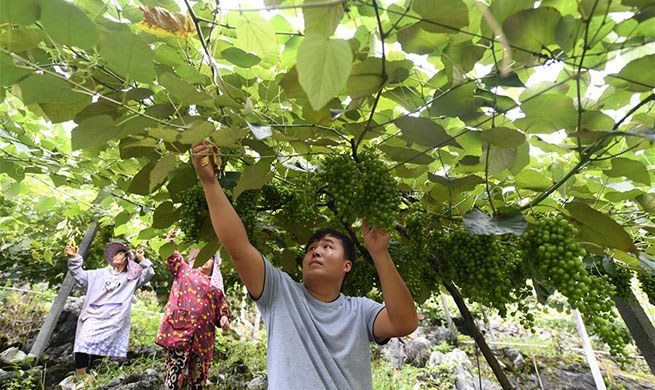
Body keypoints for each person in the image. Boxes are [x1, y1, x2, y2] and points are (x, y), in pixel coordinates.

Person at [189, 141, 419, 389]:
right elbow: (238, 247)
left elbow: (405, 322)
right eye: (311, 248)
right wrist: (210, 183)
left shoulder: (360, 311)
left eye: (327, 246)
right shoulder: (280, 293)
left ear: (347, 265)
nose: (316, 251)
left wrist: (380, 254)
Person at [64, 241, 155, 379]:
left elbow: (148, 273)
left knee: (101, 347)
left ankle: (92, 378)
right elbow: (80, 275)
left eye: (119, 253)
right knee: (82, 343)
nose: (115, 256)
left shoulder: (131, 278)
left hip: (114, 318)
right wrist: (75, 257)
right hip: (93, 315)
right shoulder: (100, 274)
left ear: (126, 259)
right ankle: (80, 378)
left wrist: (142, 259)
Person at [156, 231, 230, 390]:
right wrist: (171, 242)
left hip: (203, 337)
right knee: (175, 372)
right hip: (180, 330)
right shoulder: (184, 271)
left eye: (208, 257)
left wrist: (224, 318)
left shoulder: (216, 286)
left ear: (215, 264)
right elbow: (174, 257)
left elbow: (221, 309)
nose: (203, 261)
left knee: (198, 377)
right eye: (199, 257)